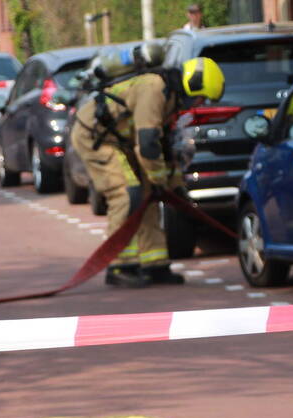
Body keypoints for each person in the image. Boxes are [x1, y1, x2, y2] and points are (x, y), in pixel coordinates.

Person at [70, 57, 225, 287]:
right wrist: (158, 179)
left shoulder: (171, 99)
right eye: (201, 97)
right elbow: (148, 143)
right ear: (193, 86)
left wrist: (174, 187)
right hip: (95, 137)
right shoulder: (154, 89)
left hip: (122, 140)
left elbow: (163, 147)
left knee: (149, 197)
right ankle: (120, 265)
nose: (199, 104)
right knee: (125, 194)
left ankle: (155, 264)